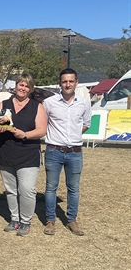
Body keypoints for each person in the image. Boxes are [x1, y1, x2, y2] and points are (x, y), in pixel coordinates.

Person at [0, 73, 47, 236]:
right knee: (11, 190)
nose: (23, 88)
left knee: (26, 190)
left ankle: (25, 222)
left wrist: (25, 135)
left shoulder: (37, 106)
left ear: (31, 89)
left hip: (28, 155)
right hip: (5, 153)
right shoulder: (3, 104)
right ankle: (14, 219)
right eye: (21, 84)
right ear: (16, 86)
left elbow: (42, 130)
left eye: (27, 86)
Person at [42, 68, 91, 236]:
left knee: (74, 188)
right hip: (53, 151)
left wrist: (73, 136)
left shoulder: (84, 103)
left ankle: (72, 220)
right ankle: (50, 220)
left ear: (76, 82)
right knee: (50, 187)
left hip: (75, 152)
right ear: (59, 83)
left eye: (71, 81)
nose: (68, 84)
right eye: (64, 81)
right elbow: (44, 123)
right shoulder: (49, 103)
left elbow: (86, 124)